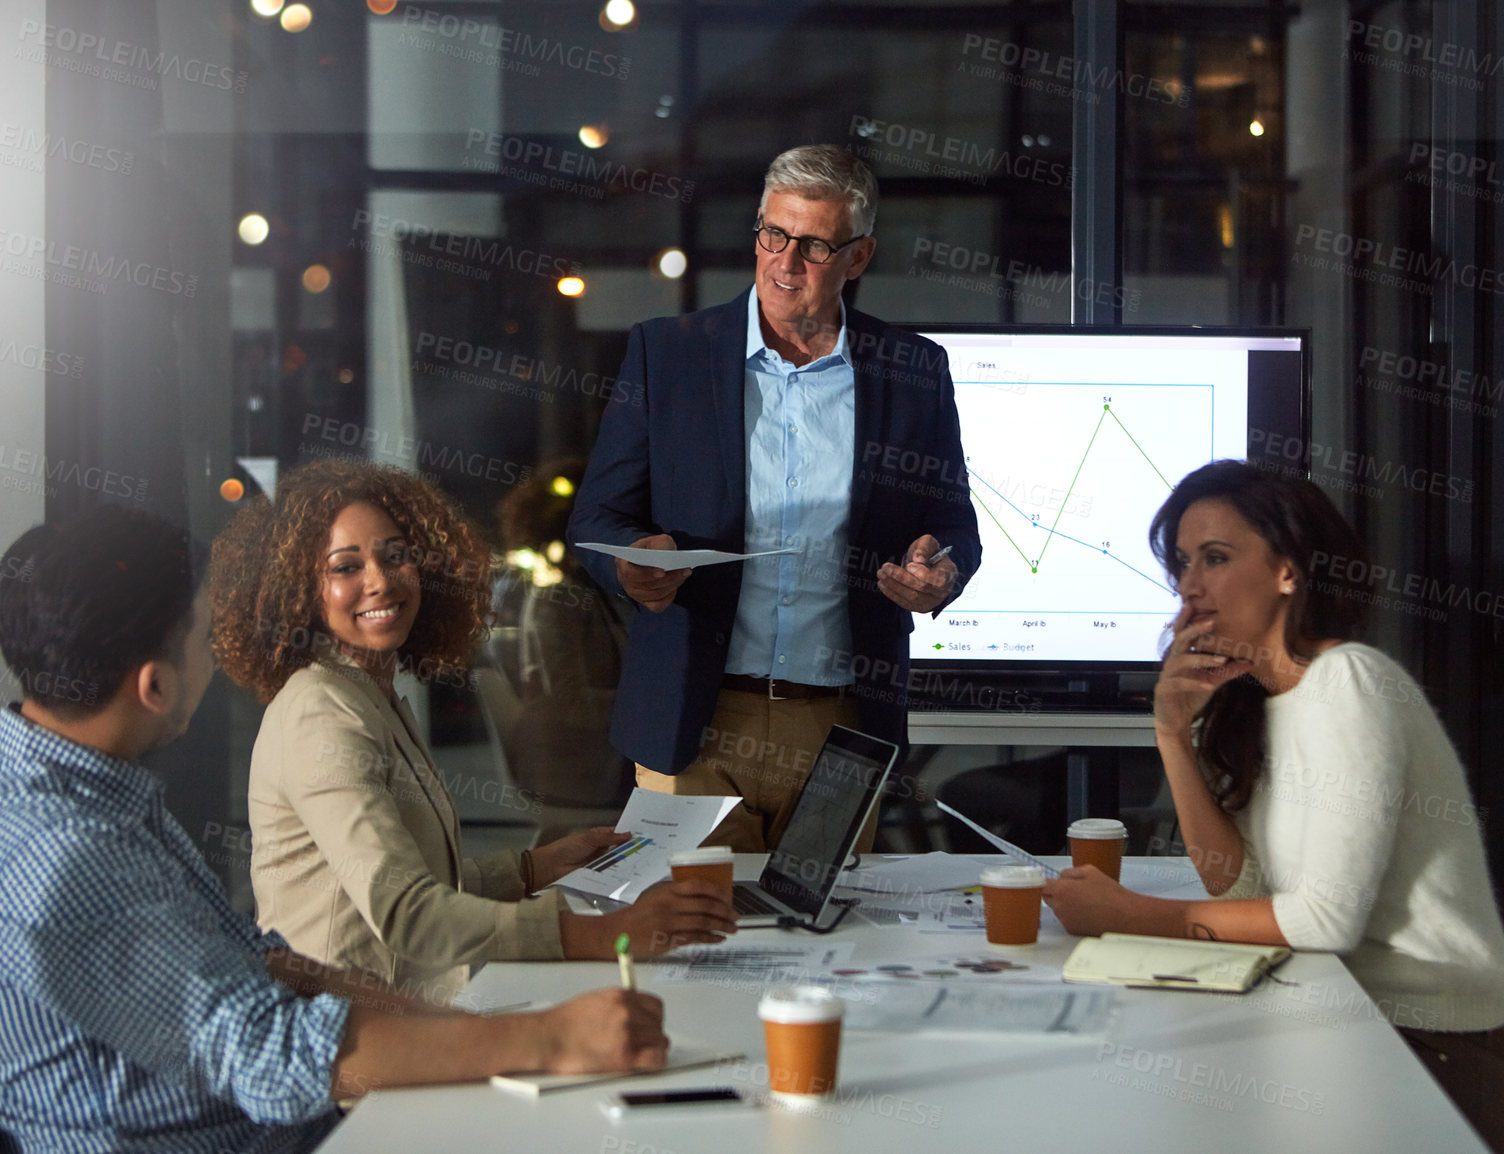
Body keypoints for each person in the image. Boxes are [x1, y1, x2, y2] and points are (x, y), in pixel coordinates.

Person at [0, 506, 667, 1153]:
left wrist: (487, 1025)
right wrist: (548, 1035)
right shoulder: (69, 852)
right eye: (202, 637)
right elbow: (270, 1052)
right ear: (156, 686)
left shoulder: (92, 791)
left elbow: (265, 961)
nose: (382, 580)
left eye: (396, 554)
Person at [1042, 460, 1504, 1152]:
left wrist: (1134, 917)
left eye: (1215, 558)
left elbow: (1323, 921)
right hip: (1342, 1016)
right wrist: (1171, 733)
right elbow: (1236, 886)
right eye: (1182, 563)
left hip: (1436, 1049)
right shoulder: (1257, 705)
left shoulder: (1350, 684)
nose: (1189, 585)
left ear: (1289, 572)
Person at [569, 143, 981, 853]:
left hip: (841, 728)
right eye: (774, 235)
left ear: (858, 256)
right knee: (688, 942)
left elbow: (952, 527)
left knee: (825, 948)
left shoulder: (914, 370)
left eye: (815, 246)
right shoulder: (667, 355)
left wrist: (936, 571)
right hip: (692, 725)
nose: (786, 264)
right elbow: (596, 517)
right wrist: (632, 562)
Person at [212, 459, 735, 1004]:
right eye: (346, 567)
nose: (380, 580)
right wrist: (605, 934)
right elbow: (408, 912)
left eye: (395, 555)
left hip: (403, 1015)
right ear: (300, 589)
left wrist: (536, 868)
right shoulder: (321, 714)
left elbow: (418, 880)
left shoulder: (366, 693)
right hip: (349, 1046)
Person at [487, 458, 635, 830]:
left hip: (587, 757)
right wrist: (648, 705)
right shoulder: (558, 600)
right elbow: (567, 701)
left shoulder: (587, 595)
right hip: (574, 768)